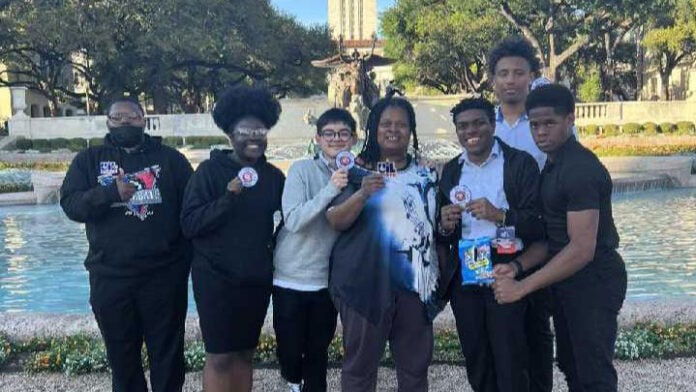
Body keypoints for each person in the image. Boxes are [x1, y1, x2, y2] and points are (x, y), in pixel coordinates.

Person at [492, 84, 627, 392]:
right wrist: (515, 267)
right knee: (571, 366)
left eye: (549, 123)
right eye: (534, 124)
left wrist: (522, 286)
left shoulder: (580, 168)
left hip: (594, 280)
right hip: (567, 280)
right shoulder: (552, 165)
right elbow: (552, 240)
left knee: (593, 375)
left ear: (570, 120)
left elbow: (581, 249)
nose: (541, 132)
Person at [60, 97, 193, 392]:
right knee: (122, 358)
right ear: (107, 121)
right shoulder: (89, 160)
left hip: (163, 276)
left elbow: (193, 210)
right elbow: (70, 205)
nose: (124, 122)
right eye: (117, 117)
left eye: (131, 116)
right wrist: (109, 193)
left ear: (144, 119)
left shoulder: (171, 160)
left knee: (168, 356)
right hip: (110, 277)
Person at [326, 93, 439, 392]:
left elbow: (434, 225)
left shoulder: (426, 174)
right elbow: (335, 220)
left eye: (401, 124)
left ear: (411, 130)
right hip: (365, 284)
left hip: (414, 285)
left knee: (415, 369)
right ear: (374, 128)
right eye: (386, 123)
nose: (393, 129)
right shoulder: (355, 171)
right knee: (360, 369)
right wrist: (362, 193)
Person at [180, 85, 285, 392]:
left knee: (244, 353)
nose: (253, 138)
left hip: (255, 278)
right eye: (245, 132)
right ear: (230, 135)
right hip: (216, 280)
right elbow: (190, 223)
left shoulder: (274, 177)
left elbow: (291, 220)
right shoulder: (209, 173)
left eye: (260, 131)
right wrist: (228, 197)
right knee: (220, 357)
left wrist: (272, 250)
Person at [438, 97, 544, 392]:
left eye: (478, 123)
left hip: (506, 267)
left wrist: (500, 215)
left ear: (492, 124)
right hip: (467, 271)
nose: (470, 131)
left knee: (511, 356)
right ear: (457, 131)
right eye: (463, 126)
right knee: (476, 355)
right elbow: (444, 234)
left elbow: (538, 223)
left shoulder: (519, 163)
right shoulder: (451, 170)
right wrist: (445, 223)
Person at [272, 108, 357, 392]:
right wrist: (330, 190)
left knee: (318, 354)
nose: (336, 139)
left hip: (327, 281)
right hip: (291, 277)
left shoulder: (358, 175)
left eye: (343, 133)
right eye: (329, 134)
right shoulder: (301, 170)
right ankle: (292, 383)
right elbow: (294, 220)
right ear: (318, 138)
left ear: (353, 139)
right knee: (290, 353)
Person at [488, 36, 554, 392]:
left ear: (531, 76)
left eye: (518, 72)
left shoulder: (544, 122)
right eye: (503, 73)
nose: (511, 80)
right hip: (494, 236)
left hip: (538, 235)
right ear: (493, 80)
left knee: (537, 323)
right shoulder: (485, 126)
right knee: (501, 324)